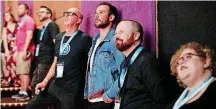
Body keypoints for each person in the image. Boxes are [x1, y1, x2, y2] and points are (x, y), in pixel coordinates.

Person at [26, 7, 92, 109]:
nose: (66, 15)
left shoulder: (85, 39)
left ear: (78, 20)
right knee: (31, 105)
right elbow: (56, 61)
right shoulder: (59, 37)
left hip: (72, 89)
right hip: (56, 85)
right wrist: (45, 81)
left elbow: (91, 65)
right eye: (65, 13)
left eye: (70, 14)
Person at [102, 20, 168, 109]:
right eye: (116, 33)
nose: (116, 36)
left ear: (136, 36)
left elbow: (161, 100)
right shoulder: (124, 64)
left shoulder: (147, 61)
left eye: (121, 32)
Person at [84, 2, 124, 109]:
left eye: (101, 12)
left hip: (106, 102)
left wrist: (109, 94)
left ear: (111, 17)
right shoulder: (95, 40)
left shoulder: (116, 40)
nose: (96, 16)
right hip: (91, 99)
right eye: (96, 13)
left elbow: (125, 73)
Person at [169, 42, 216, 109]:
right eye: (178, 63)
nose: (181, 62)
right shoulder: (177, 99)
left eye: (188, 56)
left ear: (206, 61)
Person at [30, 5, 59, 95]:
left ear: (49, 14)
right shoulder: (44, 28)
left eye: (42, 12)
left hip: (46, 62)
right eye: (39, 12)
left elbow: (56, 42)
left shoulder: (52, 25)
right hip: (40, 61)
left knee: (39, 88)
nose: (39, 14)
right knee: (34, 86)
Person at [12, 4, 35, 101]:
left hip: (25, 49)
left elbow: (29, 36)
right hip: (20, 49)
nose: (18, 10)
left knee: (25, 72)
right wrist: (16, 51)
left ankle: (25, 93)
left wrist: (25, 50)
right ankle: (22, 91)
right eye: (18, 8)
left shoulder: (29, 20)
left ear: (26, 10)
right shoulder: (22, 21)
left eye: (20, 8)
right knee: (21, 72)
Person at [1, 12, 19, 87]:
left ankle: (16, 80)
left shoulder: (17, 26)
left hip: (17, 47)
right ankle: (9, 80)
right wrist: (7, 51)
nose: (6, 17)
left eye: (7, 15)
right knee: (8, 62)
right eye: (5, 16)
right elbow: (4, 41)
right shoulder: (5, 28)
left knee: (15, 63)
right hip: (9, 48)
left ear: (12, 16)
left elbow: (20, 37)